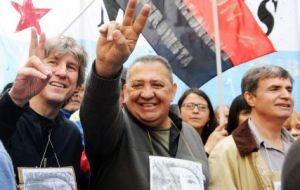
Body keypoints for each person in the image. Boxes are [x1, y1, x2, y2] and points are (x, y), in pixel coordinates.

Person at [80, 0, 209, 189]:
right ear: (124, 91)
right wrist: (107, 67)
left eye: (157, 85)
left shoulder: (190, 134)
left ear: (173, 91)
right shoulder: (113, 128)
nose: (147, 94)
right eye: (138, 85)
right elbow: (96, 112)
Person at [0, 28, 87, 184]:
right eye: (53, 62)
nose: (62, 72)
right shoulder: (8, 117)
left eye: (71, 67)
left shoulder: (72, 135)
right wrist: (15, 99)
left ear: (78, 83)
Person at [208, 65, 295, 190]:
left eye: (289, 90)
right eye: (274, 89)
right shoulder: (227, 151)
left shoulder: (295, 147)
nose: (286, 95)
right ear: (250, 98)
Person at [178, 88, 228, 154]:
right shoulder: (171, 140)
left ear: (209, 116)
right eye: (189, 106)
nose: (195, 111)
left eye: (202, 107)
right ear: (179, 111)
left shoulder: (217, 140)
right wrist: (207, 149)